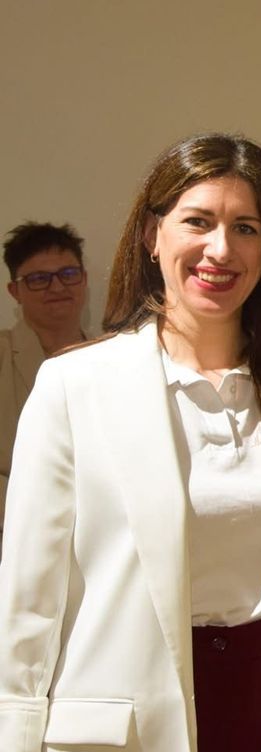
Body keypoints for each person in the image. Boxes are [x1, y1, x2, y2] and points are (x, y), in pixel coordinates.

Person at [0, 133, 261, 752]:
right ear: (151, 235)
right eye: (198, 221)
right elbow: (29, 592)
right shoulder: (74, 385)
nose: (221, 249)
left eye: (246, 228)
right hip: (121, 737)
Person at [1, 220, 88, 538]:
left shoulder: (113, 359)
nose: (57, 287)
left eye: (68, 274)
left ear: (84, 279)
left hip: (97, 537)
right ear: (15, 291)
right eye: (39, 279)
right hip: (12, 533)